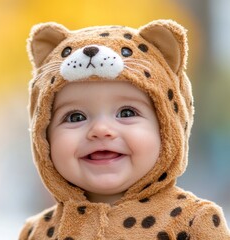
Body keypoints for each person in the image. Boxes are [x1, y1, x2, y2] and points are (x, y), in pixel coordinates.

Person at [19, 19, 230, 239]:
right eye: (75, 117)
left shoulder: (194, 222)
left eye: (127, 113)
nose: (101, 129)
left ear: (168, 129)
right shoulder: (37, 232)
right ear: (43, 137)